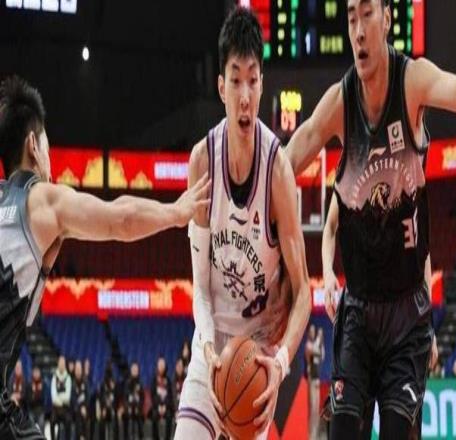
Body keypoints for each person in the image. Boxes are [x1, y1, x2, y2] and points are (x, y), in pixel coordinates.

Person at [285, 1, 456, 438]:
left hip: (406, 313)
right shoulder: (340, 102)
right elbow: (293, 152)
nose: (358, 30)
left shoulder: (410, 80)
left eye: (367, 14)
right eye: (351, 17)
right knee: (343, 429)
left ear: (386, 18)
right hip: (359, 311)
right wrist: (249, 185)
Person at [0, 75, 209, 439]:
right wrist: (176, 212)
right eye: (47, 143)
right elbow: (119, 219)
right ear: (33, 145)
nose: (49, 154)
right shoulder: (41, 200)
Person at [174, 7, 311, 440]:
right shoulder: (202, 162)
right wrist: (208, 346)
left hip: (255, 358)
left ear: (262, 83)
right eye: (236, 80)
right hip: (212, 346)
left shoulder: (277, 172)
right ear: (221, 87)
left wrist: (280, 362)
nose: (245, 95)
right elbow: (199, 286)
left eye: (253, 79)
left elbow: (305, 292)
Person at [150, 357, 174, 440]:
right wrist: (159, 406)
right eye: (160, 365)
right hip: (156, 407)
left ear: (165, 366)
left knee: (169, 416)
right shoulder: (154, 380)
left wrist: (165, 406)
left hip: (166, 407)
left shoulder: (168, 380)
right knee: (154, 416)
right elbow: (153, 395)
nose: (161, 367)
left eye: (163, 365)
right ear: (157, 366)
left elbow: (170, 396)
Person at [50, 356, 72, 440]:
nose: (62, 365)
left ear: (65, 365)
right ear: (58, 364)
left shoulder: (68, 378)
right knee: (52, 421)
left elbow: (68, 397)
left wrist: (59, 397)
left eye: (63, 364)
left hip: (65, 408)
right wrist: (61, 399)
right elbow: (53, 396)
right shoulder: (54, 377)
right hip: (55, 408)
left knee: (68, 421)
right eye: (60, 363)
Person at [123, 362, 144, 439]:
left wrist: (138, 407)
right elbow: (125, 398)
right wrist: (128, 407)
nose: (135, 371)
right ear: (131, 371)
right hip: (129, 408)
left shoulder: (140, 383)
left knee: (139, 416)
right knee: (128, 416)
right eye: (133, 369)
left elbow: (142, 398)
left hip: (138, 409)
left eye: (136, 370)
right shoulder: (127, 383)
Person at [72, 360, 90, 439]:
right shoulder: (72, 382)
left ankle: (84, 437)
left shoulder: (85, 382)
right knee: (78, 417)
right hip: (76, 410)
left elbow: (88, 396)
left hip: (85, 409)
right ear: (75, 370)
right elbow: (72, 399)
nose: (78, 371)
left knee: (85, 417)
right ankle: (80, 436)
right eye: (77, 369)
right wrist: (80, 408)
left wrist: (84, 407)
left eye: (79, 369)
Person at [25, 366, 45, 433]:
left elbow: (43, 400)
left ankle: (41, 437)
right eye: (35, 372)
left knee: (41, 424)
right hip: (31, 410)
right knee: (31, 424)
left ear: (40, 373)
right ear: (32, 373)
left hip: (40, 410)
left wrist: (39, 393)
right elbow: (28, 400)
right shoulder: (29, 385)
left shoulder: (43, 384)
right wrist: (34, 392)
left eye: (37, 372)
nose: (36, 374)